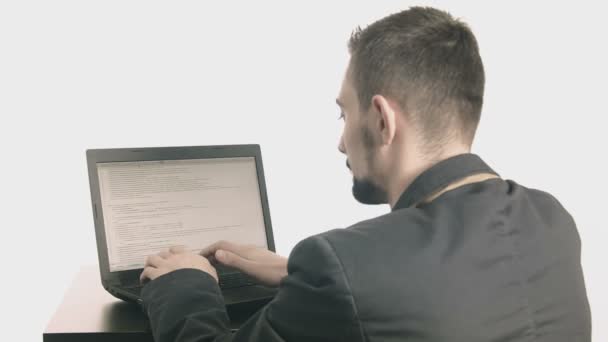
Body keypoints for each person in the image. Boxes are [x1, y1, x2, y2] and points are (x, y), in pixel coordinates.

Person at [138, 6, 591, 342]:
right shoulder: (551, 221)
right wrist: (299, 274)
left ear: (381, 120)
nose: (340, 141)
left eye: (343, 114)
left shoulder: (345, 267)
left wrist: (187, 281)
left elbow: (367, 282)